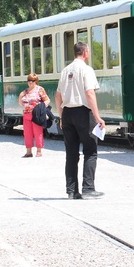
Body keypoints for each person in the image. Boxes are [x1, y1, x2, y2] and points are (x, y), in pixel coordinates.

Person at [55, 42, 105, 199]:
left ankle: (71, 190)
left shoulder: (65, 70)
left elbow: (58, 96)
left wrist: (61, 116)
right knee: (90, 150)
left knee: (71, 153)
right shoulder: (86, 69)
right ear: (85, 52)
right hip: (83, 113)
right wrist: (97, 117)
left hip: (67, 113)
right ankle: (88, 188)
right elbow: (90, 93)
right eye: (88, 51)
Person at [18, 73, 50, 158]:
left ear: (36, 81)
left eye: (32, 81)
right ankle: (29, 151)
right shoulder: (26, 91)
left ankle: (39, 151)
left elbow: (47, 100)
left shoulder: (40, 89)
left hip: (36, 115)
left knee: (37, 132)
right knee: (27, 133)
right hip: (26, 114)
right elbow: (21, 103)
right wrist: (20, 96)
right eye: (28, 80)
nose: (30, 82)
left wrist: (41, 108)